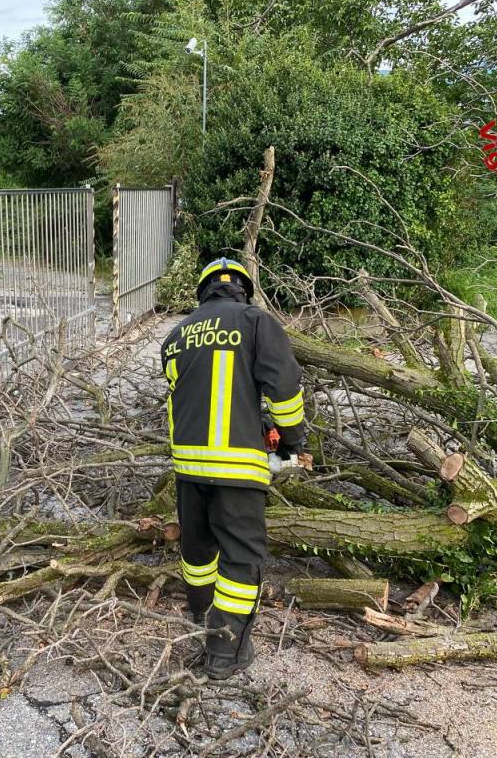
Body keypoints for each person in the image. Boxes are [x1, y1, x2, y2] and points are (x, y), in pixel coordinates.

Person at [160, 257, 306, 680]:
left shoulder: (176, 335)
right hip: (238, 467)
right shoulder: (256, 322)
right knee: (242, 561)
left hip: (187, 467)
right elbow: (284, 391)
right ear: (243, 289)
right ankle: (225, 653)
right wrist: (292, 442)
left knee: (198, 552)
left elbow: (186, 399)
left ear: (203, 291)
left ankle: (201, 616)